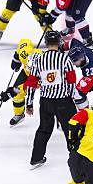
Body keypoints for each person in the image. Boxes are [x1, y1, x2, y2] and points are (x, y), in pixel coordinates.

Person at [23, 30, 77, 168]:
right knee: (70, 129)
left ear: (46, 43)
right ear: (59, 42)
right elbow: (71, 80)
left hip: (46, 102)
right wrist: (72, 98)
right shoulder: (65, 59)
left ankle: (36, 157)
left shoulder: (38, 59)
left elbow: (31, 82)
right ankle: (77, 159)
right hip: (63, 101)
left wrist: (29, 104)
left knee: (44, 129)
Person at [0, 39, 42, 126]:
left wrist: (11, 93)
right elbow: (24, 42)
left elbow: (27, 87)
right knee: (17, 95)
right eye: (29, 67)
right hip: (25, 73)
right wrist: (16, 59)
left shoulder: (44, 72)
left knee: (17, 92)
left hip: (37, 80)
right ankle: (19, 115)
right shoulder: (25, 53)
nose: (31, 71)